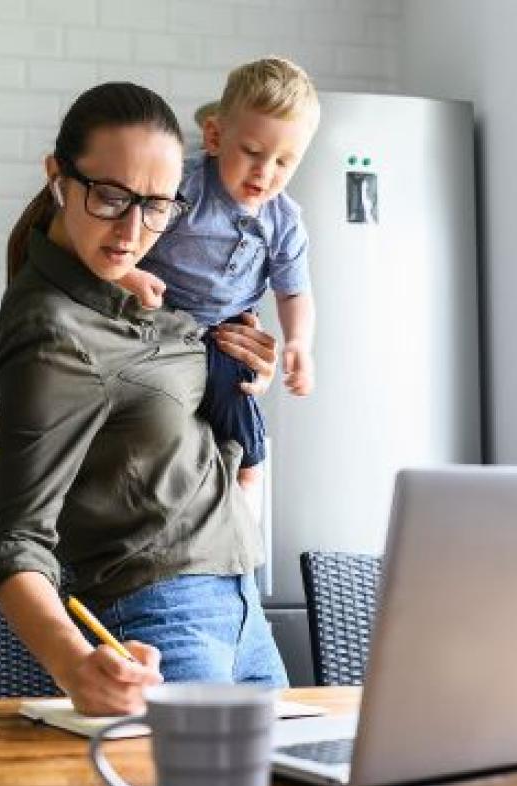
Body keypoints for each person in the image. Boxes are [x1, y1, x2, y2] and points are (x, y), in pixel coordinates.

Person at [0, 82, 289, 717]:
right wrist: (72, 663)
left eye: (156, 206)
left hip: (243, 607)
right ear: (58, 178)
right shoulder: (53, 332)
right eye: (110, 196)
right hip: (161, 620)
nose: (131, 230)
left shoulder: (149, 290)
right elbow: (15, 539)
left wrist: (241, 370)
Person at [119, 57, 320, 503]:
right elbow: (128, 239)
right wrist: (130, 276)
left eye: (284, 162)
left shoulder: (284, 220)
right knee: (160, 401)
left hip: (226, 331)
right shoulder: (183, 185)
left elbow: (294, 290)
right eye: (252, 152)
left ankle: (249, 472)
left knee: (236, 389)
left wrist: (299, 344)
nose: (265, 172)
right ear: (214, 136)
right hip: (158, 317)